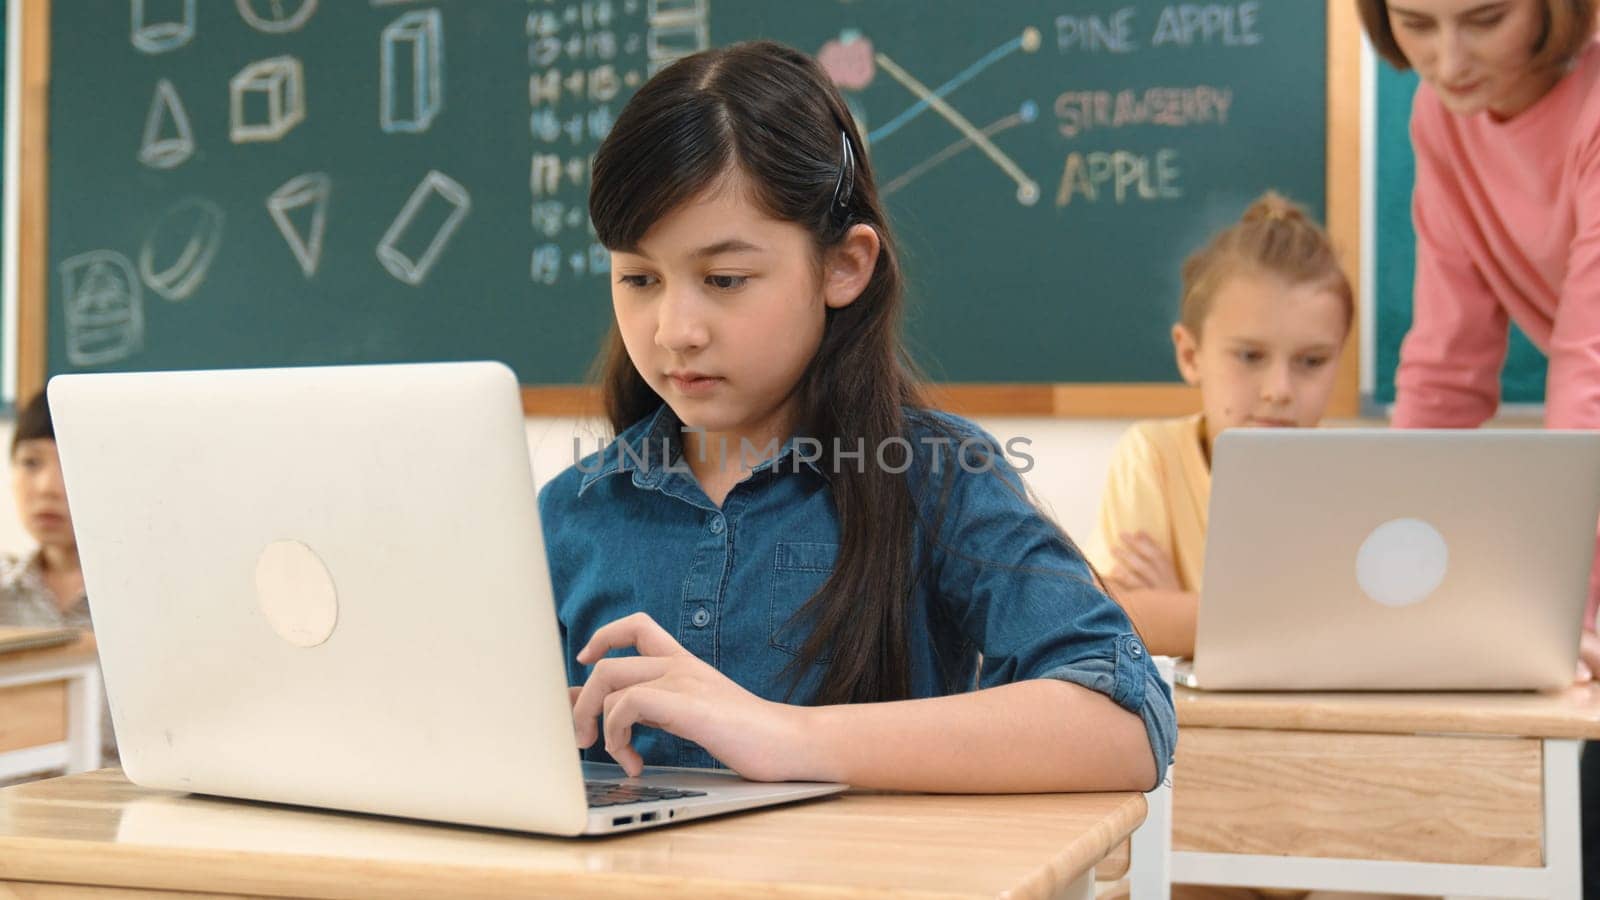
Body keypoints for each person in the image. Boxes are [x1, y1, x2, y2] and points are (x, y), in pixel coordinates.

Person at [537, 40, 1175, 792]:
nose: (675, 328)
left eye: (725, 278)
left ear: (844, 265)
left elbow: (1126, 722)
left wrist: (785, 735)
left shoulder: (937, 479)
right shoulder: (572, 512)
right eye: (638, 277)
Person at [1087, 193, 1353, 658]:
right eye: (1250, 356)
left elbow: (1359, 635)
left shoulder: (1353, 476)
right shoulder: (1153, 455)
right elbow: (1115, 620)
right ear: (1191, 356)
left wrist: (1182, 610)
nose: (1279, 389)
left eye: (1312, 361)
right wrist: (1297, 622)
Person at [0, 389, 117, 775]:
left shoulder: (151, 602)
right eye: (31, 462)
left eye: (72, 461)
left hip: (119, 815)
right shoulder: (4, 593)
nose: (47, 486)